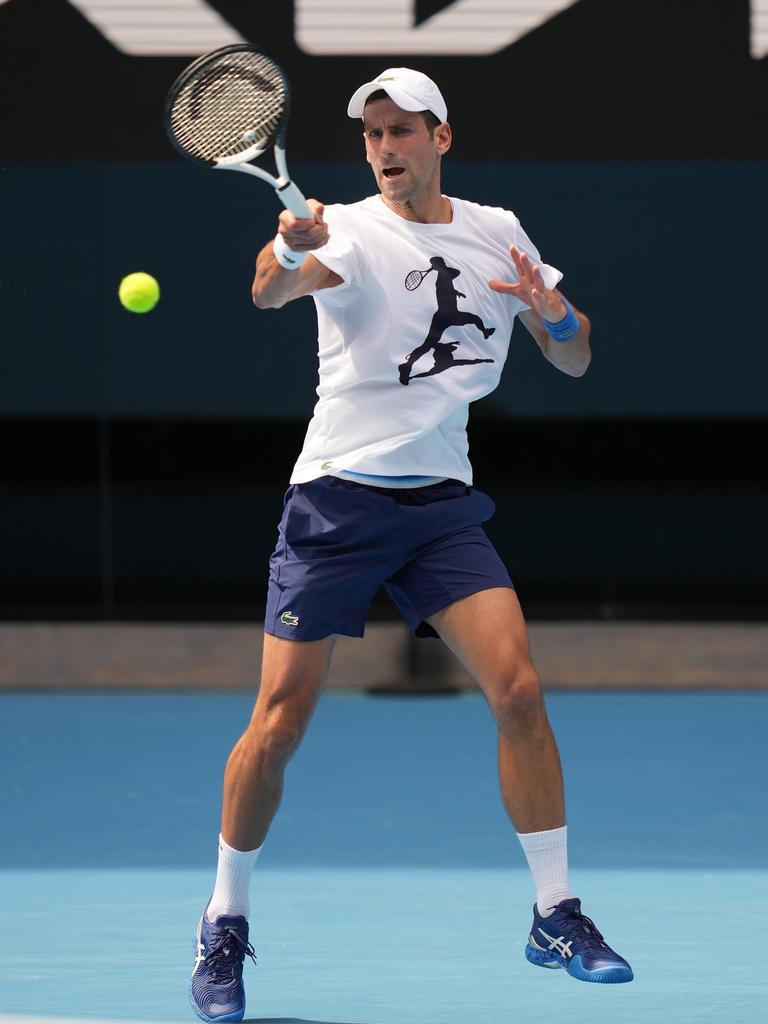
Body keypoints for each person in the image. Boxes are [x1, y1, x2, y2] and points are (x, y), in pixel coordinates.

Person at [189, 67, 633, 1022]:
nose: (385, 149)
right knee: (280, 723)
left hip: (439, 505)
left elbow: (577, 350)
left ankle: (555, 912)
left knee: (518, 689)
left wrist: (552, 314)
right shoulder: (339, 227)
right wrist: (286, 246)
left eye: (401, 131)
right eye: (371, 135)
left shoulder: (497, 231)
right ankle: (223, 921)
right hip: (337, 502)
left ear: (442, 136)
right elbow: (270, 292)